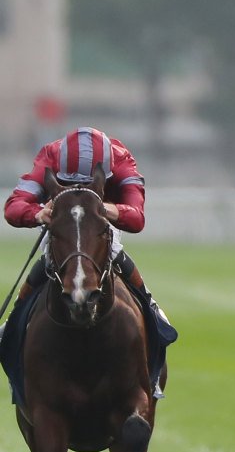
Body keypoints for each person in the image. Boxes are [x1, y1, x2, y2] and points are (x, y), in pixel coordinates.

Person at [0, 127, 177, 399]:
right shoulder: (50, 156)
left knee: (152, 313)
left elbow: (136, 217)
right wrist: (38, 213)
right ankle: (16, 355)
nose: (80, 190)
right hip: (62, 234)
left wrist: (102, 209)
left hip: (101, 232)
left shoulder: (120, 159)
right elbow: (14, 206)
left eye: (88, 183)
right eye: (71, 183)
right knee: (20, 310)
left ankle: (152, 358)